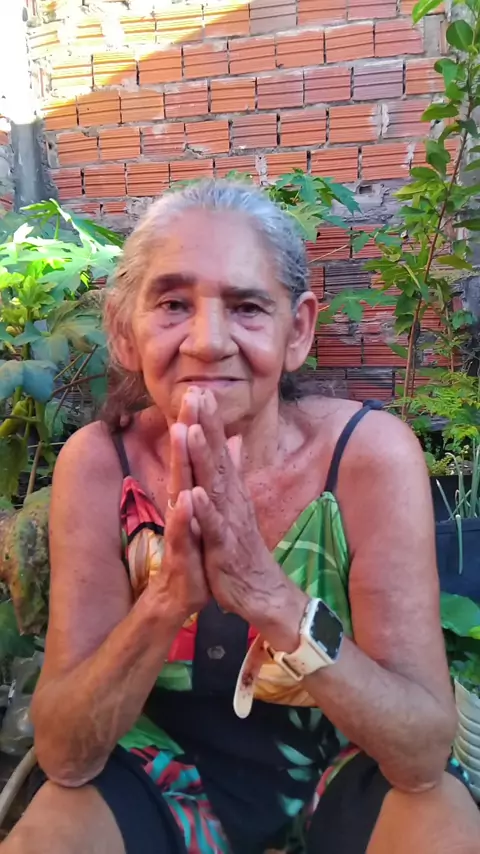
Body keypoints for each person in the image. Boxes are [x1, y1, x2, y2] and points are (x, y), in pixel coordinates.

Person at [2, 180, 479, 854]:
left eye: (248, 307)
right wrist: (167, 600)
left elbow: (421, 752)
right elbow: (65, 754)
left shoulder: (368, 456)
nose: (207, 342)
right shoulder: (102, 464)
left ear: (298, 330)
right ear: (125, 331)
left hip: (349, 763)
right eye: (173, 304)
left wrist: (269, 596)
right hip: (157, 771)